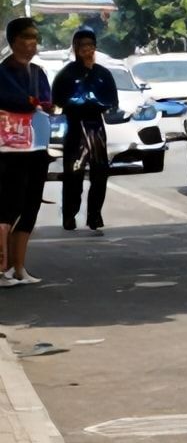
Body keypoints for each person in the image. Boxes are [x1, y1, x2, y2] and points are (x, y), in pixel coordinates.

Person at [0, 18, 54, 287]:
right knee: (7, 207)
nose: (32, 43)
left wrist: (41, 104)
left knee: (30, 206)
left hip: (36, 145)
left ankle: (18, 267)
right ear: (13, 42)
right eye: (26, 37)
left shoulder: (38, 72)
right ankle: (1, 268)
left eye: (35, 37)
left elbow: (46, 100)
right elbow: (14, 100)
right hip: (8, 149)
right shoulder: (3, 72)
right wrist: (32, 103)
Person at [52, 28, 117, 233]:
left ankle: (94, 215)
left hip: (96, 127)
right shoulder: (67, 74)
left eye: (90, 45)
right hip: (74, 127)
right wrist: (77, 102)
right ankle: (69, 215)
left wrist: (100, 105)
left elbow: (112, 100)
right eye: (82, 46)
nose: (87, 50)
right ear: (75, 48)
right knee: (73, 173)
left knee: (100, 173)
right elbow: (58, 99)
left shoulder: (103, 74)